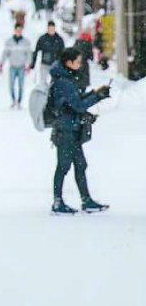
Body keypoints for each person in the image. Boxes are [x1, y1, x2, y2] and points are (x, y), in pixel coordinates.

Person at [48, 47, 110, 214]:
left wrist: (95, 93)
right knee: (63, 166)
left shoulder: (67, 78)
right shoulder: (64, 82)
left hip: (72, 128)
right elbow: (78, 105)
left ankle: (86, 200)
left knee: (80, 165)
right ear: (69, 62)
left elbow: (76, 100)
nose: (80, 64)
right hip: (65, 130)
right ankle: (57, 202)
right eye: (78, 62)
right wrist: (98, 97)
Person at [0, 23, 33, 108]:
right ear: (15, 30)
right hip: (12, 66)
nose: (18, 32)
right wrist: (1, 63)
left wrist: (28, 65)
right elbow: (5, 53)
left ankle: (19, 101)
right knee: (11, 85)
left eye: (20, 30)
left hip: (21, 66)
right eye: (17, 30)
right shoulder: (9, 42)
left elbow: (29, 54)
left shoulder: (26, 42)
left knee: (21, 85)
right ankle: (13, 100)